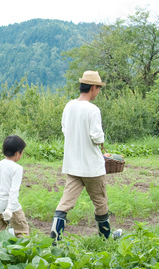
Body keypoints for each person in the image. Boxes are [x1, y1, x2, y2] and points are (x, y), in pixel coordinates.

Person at [50, 71, 122, 243]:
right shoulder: (93, 110)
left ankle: (55, 238)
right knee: (100, 202)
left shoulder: (69, 106)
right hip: (92, 167)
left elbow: (65, 130)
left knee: (66, 202)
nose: (98, 92)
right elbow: (97, 137)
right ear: (93, 88)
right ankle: (105, 238)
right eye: (98, 88)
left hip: (73, 165)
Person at [0, 135, 30, 239]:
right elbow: (13, 191)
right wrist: (10, 209)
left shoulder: (0, 164)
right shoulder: (17, 168)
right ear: (17, 153)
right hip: (10, 206)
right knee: (22, 232)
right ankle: (22, 254)